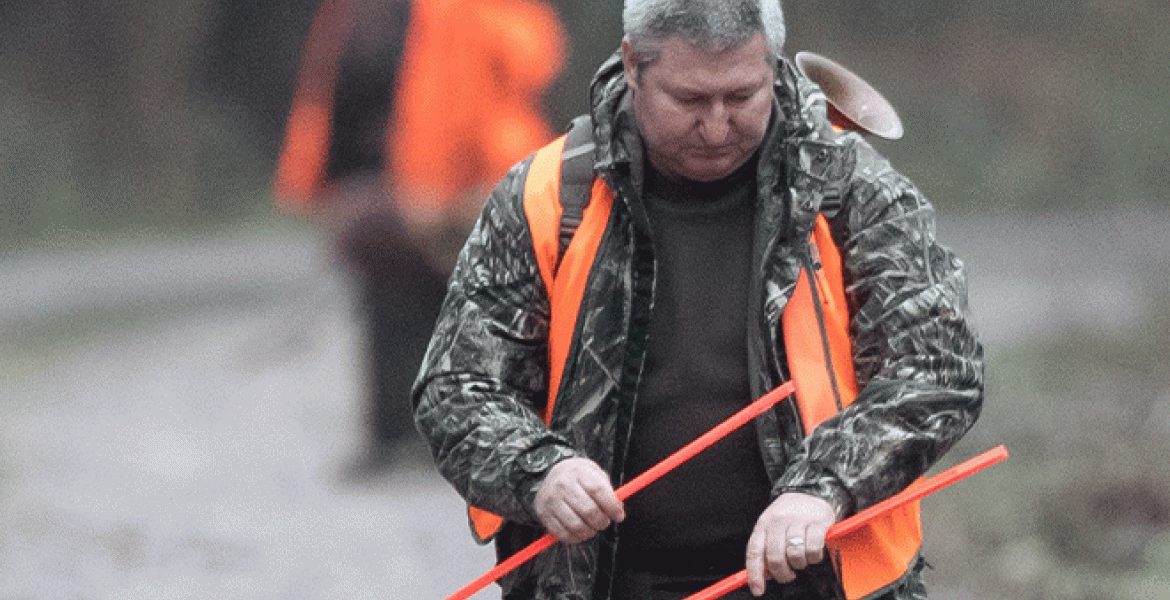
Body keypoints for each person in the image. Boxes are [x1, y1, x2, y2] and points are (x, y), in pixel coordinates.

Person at [412, 1, 984, 599]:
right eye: (689, 102)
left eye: (741, 97)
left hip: (825, 582)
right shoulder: (547, 194)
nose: (716, 128)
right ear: (632, 65)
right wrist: (540, 471)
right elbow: (454, 385)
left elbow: (940, 368)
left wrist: (823, 486)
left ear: (772, 63)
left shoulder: (854, 188)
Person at [273, 0, 566, 471]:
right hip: (384, 194)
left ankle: (484, 437)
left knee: (477, 313)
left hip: (476, 185)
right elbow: (332, 98)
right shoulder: (351, 14)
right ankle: (397, 436)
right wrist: (327, 190)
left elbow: (526, 65)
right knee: (391, 301)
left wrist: (470, 189)